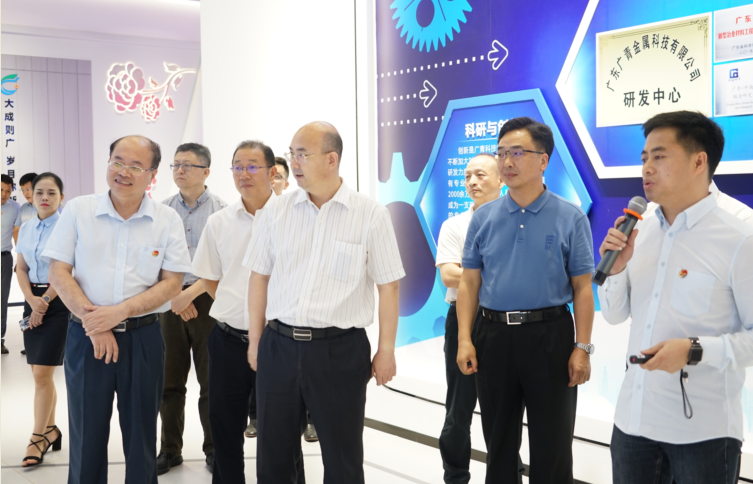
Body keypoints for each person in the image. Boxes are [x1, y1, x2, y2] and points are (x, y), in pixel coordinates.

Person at [598, 111, 753, 484]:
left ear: (699, 161)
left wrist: (694, 350)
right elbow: (615, 316)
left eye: (659, 156)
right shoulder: (640, 229)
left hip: (703, 433)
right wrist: (616, 269)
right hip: (633, 421)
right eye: (644, 157)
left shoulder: (741, 234)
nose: (647, 168)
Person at [245, 121, 405, 483]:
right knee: (274, 456)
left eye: (302, 154)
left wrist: (386, 350)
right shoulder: (276, 212)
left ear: (331, 159)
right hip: (279, 345)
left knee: (342, 458)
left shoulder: (369, 214)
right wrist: (255, 341)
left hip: (339, 351)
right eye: (292, 154)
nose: (293, 162)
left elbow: (389, 286)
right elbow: (258, 277)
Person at [44, 135, 192, 484]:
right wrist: (95, 323)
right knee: (86, 435)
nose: (123, 172)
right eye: (117, 162)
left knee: (141, 437)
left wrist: (119, 312)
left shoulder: (166, 219)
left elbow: (172, 283)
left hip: (143, 339)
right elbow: (59, 272)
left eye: (136, 166)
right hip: (85, 338)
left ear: (152, 174)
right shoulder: (79, 210)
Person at [455, 117, 595, 484]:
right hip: (493, 335)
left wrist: (582, 347)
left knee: (553, 442)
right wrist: (465, 338)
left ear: (543, 160)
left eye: (517, 153)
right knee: (498, 441)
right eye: (501, 153)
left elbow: (583, 287)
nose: (507, 161)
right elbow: (469, 282)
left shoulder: (570, 217)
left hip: (549, 335)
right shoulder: (483, 217)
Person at [192, 140, 304, 483]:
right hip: (228, 340)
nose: (244, 174)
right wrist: (239, 308)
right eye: (238, 167)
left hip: (279, 341)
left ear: (272, 172)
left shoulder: (296, 218)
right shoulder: (219, 222)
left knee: (283, 430)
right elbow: (211, 279)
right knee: (225, 427)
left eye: (252, 166)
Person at [436, 154, 525, 484]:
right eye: (467, 176)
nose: (472, 182)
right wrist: (494, 275)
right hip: (463, 319)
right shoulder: (454, 225)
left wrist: (473, 273)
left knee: (503, 409)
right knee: (459, 407)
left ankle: (509, 473)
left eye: (480, 175)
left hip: (502, 322)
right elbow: (449, 275)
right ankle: (455, 475)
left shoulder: (518, 221)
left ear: (501, 179)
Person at [157, 143, 227, 475]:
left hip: (209, 300)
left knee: (212, 382)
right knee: (169, 382)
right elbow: (152, 261)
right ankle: (170, 450)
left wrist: (191, 293)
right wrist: (176, 296)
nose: (180, 170)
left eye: (187, 165)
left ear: (206, 171)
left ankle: (215, 449)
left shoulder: (222, 212)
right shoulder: (161, 211)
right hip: (169, 301)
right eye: (175, 165)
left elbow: (226, 264)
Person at [245, 153, 318, 443]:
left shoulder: (306, 215)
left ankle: (311, 421)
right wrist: (256, 337)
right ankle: (255, 417)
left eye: (279, 177)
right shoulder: (271, 215)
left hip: (316, 327)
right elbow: (258, 276)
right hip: (276, 326)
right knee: (277, 436)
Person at [15, 173, 68, 467]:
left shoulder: (67, 226)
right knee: (39, 372)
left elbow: (66, 270)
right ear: (31, 196)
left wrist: (43, 303)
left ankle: (37, 439)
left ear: (61, 197)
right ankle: (51, 430)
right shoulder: (26, 227)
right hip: (31, 300)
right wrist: (31, 300)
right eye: (39, 193)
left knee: (41, 375)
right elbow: (21, 268)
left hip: (58, 301)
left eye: (51, 192)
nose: (45, 198)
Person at [1, 173, 20, 354]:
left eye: (7, 191)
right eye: (1, 190)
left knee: (2, 300)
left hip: (4, 258)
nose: (4, 194)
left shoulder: (15, 207)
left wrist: (21, 259)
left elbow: (17, 233)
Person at [14, 172, 40, 237]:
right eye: (22, 190)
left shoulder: (49, 207)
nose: (25, 193)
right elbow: (16, 230)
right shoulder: (23, 208)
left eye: (27, 189)